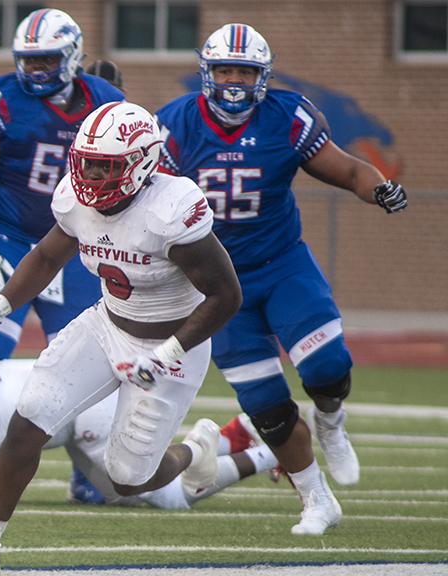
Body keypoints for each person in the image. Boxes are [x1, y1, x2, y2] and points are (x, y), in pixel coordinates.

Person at [0, 101, 242, 576]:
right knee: (26, 421)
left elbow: (226, 296)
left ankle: (195, 452)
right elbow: (47, 257)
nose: (90, 173)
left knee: (128, 480)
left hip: (172, 348)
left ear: (143, 163)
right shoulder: (76, 198)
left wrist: (167, 352)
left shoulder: (171, 211)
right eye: (86, 160)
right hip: (106, 325)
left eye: (105, 165)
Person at [154, 23, 408, 535]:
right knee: (266, 407)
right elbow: (147, 198)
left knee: (327, 367)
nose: (232, 80)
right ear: (207, 73)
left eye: (243, 71)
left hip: (281, 265)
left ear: (262, 77)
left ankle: (331, 421)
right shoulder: (174, 124)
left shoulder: (287, 116)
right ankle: (317, 500)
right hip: (216, 287)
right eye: (224, 69)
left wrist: (379, 189)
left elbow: (348, 169)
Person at [0, 356, 278, 509]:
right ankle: (237, 433)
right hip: (74, 397)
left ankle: (268, 455)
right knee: (126, 486)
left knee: (164, 496)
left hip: (80, 410)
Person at [0, 9, 125, 360]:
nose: (36, 69)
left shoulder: (106, 101)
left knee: (81, 362)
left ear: (71, 56)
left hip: (74, 246)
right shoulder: (1, 98)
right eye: (29, 60)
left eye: (46, 59)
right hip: (7, 239)